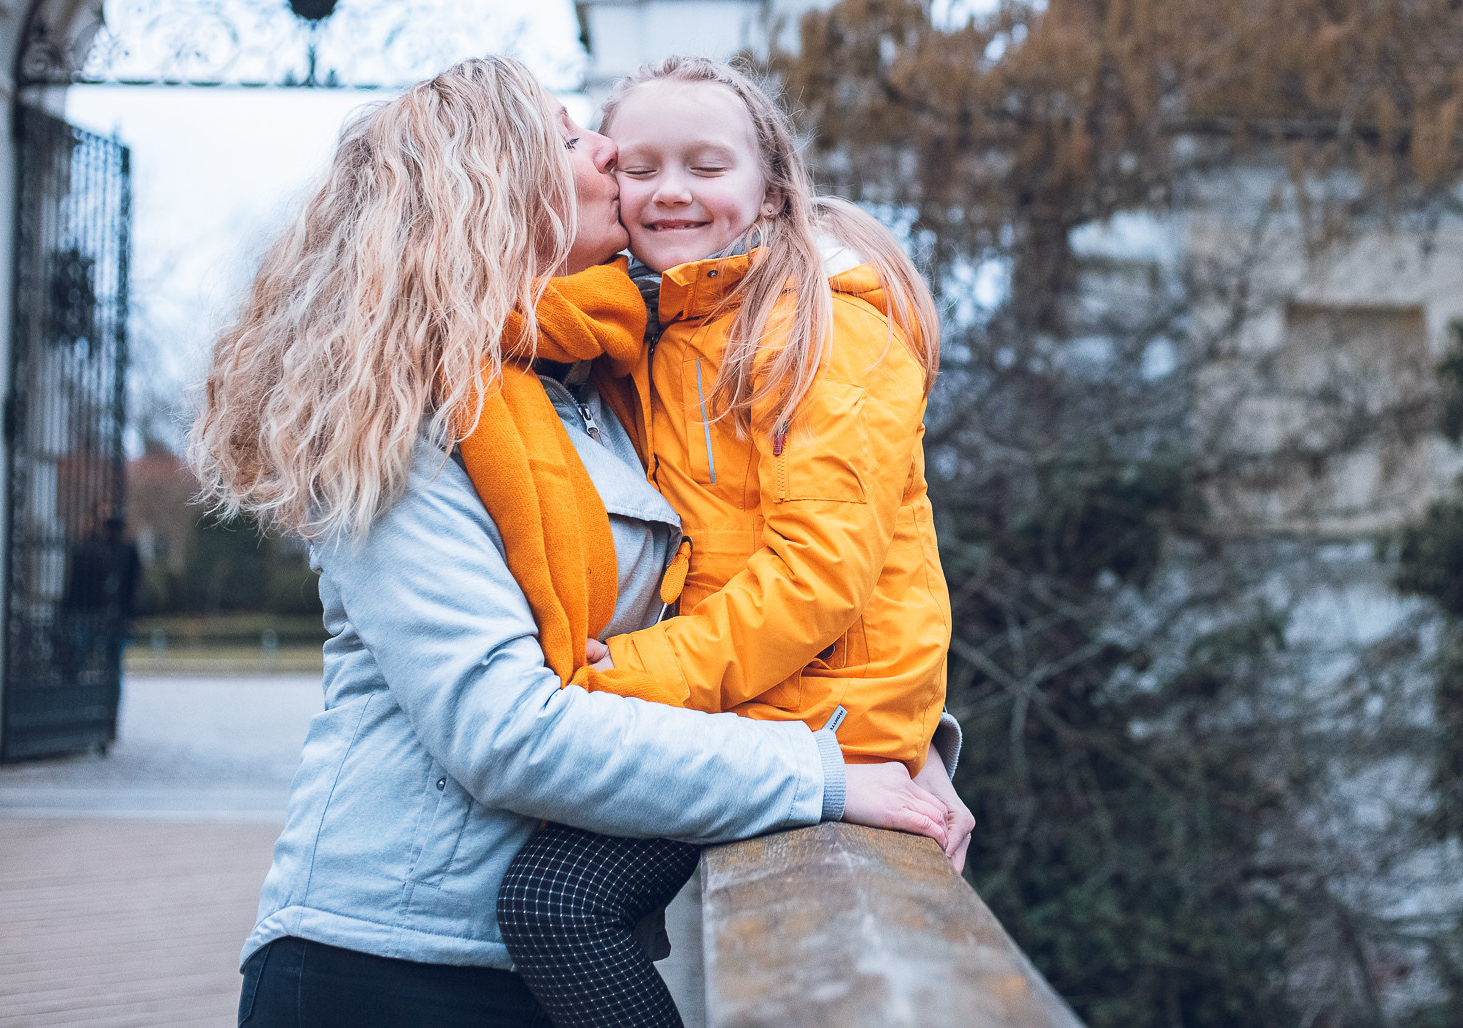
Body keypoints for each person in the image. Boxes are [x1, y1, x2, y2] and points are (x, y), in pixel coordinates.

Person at [188, 57, 957, 1028]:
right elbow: (512, 726)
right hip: (391, 957)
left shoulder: (598, 374)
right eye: (572, 137)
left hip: (528, 964)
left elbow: (798, 563)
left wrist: (900, 738)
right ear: (497, 186)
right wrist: (820, 771)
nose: (607, 153)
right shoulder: (408, 412)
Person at [492, 56, 969, 1028]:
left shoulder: (826, 329)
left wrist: (614, 680)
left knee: (552, 903)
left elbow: (815, 578)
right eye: (640, 165)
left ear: (770, 189)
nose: (669, 191)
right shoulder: (656, 330)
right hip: (746, 707)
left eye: (706, 166)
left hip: (817, 713)